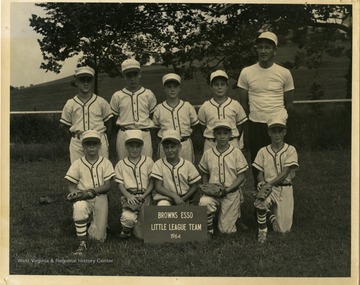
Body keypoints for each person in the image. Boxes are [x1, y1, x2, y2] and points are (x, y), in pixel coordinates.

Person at [237, 31, 295, 187]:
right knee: (258, 164)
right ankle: (261, 203)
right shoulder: (247, 72)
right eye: (260, 47)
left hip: (277, 125)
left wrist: (279, 120)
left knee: (280, 162)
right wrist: (253, 120)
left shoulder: (284, 73)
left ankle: (281, 201)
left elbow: (289, 103)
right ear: (256, 49)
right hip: (256, 125)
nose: (263, 51)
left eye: (267, 47)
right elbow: (244, 103)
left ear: (274, 51)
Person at [64, 130, 115, 255]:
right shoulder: (77, 163)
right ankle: (82, 242)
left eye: (94, 144)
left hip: (100, 197)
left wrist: (91, 191)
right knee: (79, 206)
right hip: (83, 198)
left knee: (98, 239)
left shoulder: (106, 163)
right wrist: (75, 194)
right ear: (83, 146)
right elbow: (71, 185)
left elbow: (108, 186)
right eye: (88, 144)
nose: (91, 147)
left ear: (99, 146)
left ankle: (95, 225)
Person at [198, 119, 248, 238]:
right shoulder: (208, 153)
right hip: (213, 191)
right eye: (219, 133)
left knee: (226, 231)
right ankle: (209, 229)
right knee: (204, 202)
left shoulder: (236, 152)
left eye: (225, 133)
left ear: (230, 135)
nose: (222, 136)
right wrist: (206, 187)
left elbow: (242, 176)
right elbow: (204, 172)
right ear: (213, 135)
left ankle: (232, 215)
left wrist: (229, 189)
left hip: (230, 192)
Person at [253, 116, 299, 243]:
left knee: (283, 230)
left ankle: (270, 216)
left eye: (280, 131)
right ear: (269, 132)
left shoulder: (290, 150)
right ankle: (262, 231)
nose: (277, 134)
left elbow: (285, 174)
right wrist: (262, 182)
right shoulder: (263, 151)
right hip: (270, 190)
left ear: (285, 132)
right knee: (260, 201)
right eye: (274, 131)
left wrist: (266, 185)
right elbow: (259, 173)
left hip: (285, 189)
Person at [60, 66, 113, 163]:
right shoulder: (70, 103)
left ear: (92, 82)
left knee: (101, 171)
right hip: (78, 141)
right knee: (79, 173)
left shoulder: (101, 102)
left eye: (88, 80)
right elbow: (64, 126)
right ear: (76, 82)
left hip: (99, 140)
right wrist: (73, 140)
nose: (85, 83)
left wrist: (105, 140)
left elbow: (109, 123)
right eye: (82, 80)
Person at [110, 58, 157, 160]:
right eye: (128, 75)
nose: (132, 79)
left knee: (146, 165)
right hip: (125, 133)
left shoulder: (148, 94)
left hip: (144, 132)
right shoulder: (117, 96)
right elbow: (114, 119)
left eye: (135, 74)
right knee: (124, 166)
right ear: (124, 76)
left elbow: (152, 116)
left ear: (140, 74)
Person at [114, 130, 154, 239]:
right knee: (128, 218)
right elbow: (120, 184)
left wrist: (144, 196)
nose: (134, 149)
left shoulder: (148, 161)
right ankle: (126, 230)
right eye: (131, 146)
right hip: (130, 196)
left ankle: (137, 226)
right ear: (126, 146)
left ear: (142, 146)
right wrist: (128, 196)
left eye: (137, 146)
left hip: (145, 196)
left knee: (142, 235)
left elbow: (152, 182)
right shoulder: (121, 164)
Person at [153, 73, 199, 163]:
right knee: (165, 171)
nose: (172, 90)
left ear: (179, 89)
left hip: (184, 144)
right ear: (164, 89)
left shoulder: (187, 106)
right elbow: (156, 129)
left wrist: (187, 137)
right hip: (166, 146)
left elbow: (195, 125)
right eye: (169, 87)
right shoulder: (159, 108)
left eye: (175, 87)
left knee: (187, 171)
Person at [198, 69, 247, 152]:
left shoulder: (235, 104)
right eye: (216, 85)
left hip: (231, 142)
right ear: (211, 87)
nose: (219, 87)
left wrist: (233, 137)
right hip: (211, 143)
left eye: (222, 84)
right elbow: (202, 126)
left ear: (227, 86)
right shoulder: (205, 106)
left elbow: (240, 125)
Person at [151, 129, 201, 206]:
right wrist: (175, 196)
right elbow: (158, 187)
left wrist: (182, 199)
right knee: (162, 206)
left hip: (186, 197)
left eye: (173, 147)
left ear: (180, 147)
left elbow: (194, 186)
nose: (170, 150)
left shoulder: (187, 164)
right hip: (166, 197)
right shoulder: (158, 164)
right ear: (163, 148)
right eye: (166, 147)